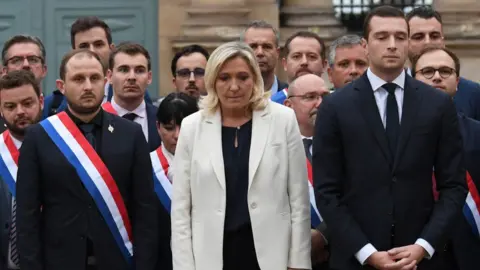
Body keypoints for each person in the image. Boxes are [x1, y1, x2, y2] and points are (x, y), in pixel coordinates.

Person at [313, 5, 466, 270]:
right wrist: (366, 252)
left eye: (400, 37)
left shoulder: (437, 105)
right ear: (365, 44)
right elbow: (327, 192)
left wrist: (424, 246)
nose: (392, 45)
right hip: (355, 259)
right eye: (382, 37)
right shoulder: (335, 106)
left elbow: (453, 186)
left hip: (422, 259)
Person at [171, 41, 311, 270]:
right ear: (213, 81)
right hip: (211, 257)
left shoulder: (283, 120)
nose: (234, 86)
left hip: (271, 257)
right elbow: (181, 211)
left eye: (242, 77)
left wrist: (298, 262)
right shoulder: (191, 127)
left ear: (255, 79)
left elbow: (299, 201)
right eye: (224, 78)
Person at [16, 49, 159, 270]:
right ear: (61, 86)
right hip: (59, 262)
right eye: (78, 79)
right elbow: (27, 215)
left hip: (119, 259)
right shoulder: (39, 137)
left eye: (94, 78)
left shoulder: (130, 134)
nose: (88, 86)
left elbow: (145, 210)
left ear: (106, 80)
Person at [412, 46, 480, 270]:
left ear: (458, 81)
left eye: (445, 71)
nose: (437, 77)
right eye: (428, 72)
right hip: (415, 250)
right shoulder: (391, 135)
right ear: (412, 82)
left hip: (470, 250)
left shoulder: (477, 133)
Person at [43, 16, 153, 118]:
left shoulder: (134, 92)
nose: (92, 51)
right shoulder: (53, 104)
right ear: (73, 52)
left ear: (111, 49)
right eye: (84, 46)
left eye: (99, 44)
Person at [283, 74, 330, 270]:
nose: (319, 104)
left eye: (325, 97)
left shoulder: (348, 145)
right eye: (310, 97)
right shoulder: (273, 148)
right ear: (288, 106)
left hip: (338, 251)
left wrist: (323, 234)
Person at [0, 70, 43, 270]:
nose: (20, 112)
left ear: (41, 101)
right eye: (10, 106)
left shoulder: (64, 149)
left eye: (27, 103)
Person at [150, 92, 198, 270]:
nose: (177, 135)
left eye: (184, 127)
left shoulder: (213, 164)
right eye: (169, 128)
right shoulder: (147, 167)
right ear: (157, 126)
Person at [406, 6, 480, 121]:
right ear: (405, 43)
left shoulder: (473, 93)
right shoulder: (395, 91)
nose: (428, 42)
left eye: (434, 36)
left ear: (443, 41)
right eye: (418, 37)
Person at [103, 42, 161, 151]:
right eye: (124, 70)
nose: (132, 77)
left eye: (139, 70)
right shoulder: (96, 120)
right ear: (110, 76)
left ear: (149, 77)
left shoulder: (162, 119)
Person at [271, 31, 327, 104]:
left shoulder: (337, 103)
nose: (304, 62)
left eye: (312, 57)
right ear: (285, 64)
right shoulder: (269, 106)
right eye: (296, 56)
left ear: (324, 65)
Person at [241, 20, 288, 94]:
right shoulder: (233, 97)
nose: (260, 52)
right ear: (242, 52)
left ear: (277, 52)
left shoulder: (291, 96)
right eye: (253, 46)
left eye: (267, 47)